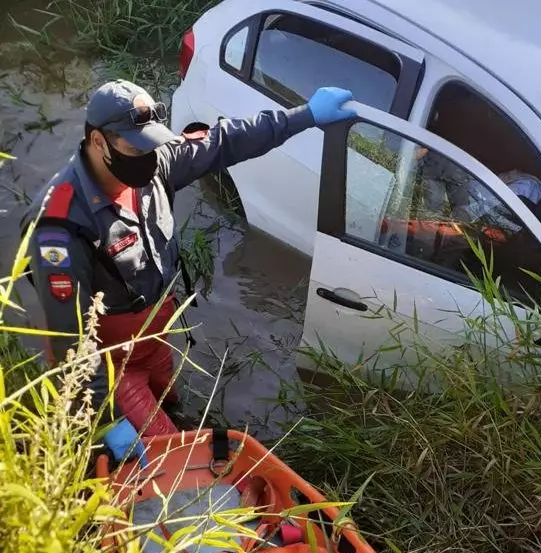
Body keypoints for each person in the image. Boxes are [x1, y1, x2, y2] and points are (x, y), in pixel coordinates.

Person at [22, 79, 356, 467]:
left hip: (156, 335)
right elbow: (71, 341)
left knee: (170, 400)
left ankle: (166, 415)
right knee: (175, 459)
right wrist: (108, 418)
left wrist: (305, 116)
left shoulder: (156, 163)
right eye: (136, 147)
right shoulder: (62, 226)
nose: (149, 156)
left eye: (152, 144)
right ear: (99, 142)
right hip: (112, 364)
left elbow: (224, 142)